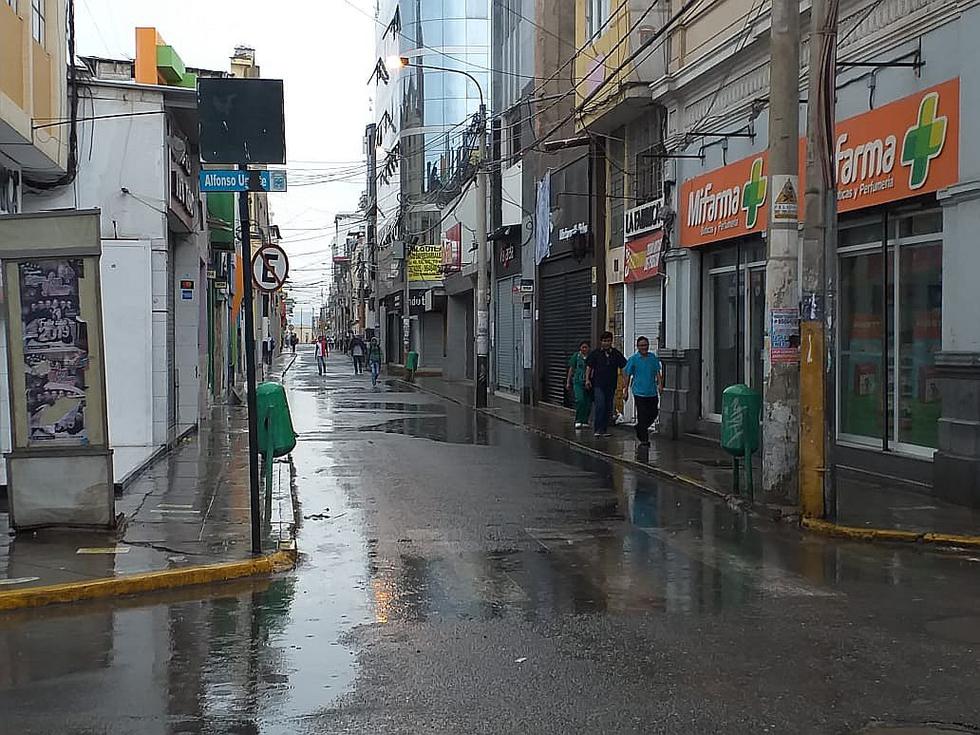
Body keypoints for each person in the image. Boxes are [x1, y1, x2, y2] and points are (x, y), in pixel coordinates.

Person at [623, 335, 663, 447]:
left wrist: (660, 385)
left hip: (652, 391)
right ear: (637, 347)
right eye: (641, 345)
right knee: (642, 415)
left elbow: (657, 372)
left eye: (645, 345)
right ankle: (644, 439)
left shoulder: (652, 358)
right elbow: (627, 374)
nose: (644, 347)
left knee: (654, 413)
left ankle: (640, 427)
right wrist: (625, 390)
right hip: (639, 391)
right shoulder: (634, 359)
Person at [586, 331, 626, 437]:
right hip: (598, 384)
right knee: (600, 405)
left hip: (611, 384)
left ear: (611, 341)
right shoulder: (596, 353)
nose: (606, 343)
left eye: (608, 341)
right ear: (601, 341)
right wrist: (587, 380)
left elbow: (623, 367)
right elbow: (589, 367)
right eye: (604, 341)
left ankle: (603, 429)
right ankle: (597, 429)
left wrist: (625, 382)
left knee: (608, 407)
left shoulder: (616, 354)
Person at [565, 340, 591, 429]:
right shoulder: (576, 356)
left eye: (586, 347)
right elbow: (571, 369)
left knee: (587, 402)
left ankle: (585, 420)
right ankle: (578, 420)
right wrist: (568, 382)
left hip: (588, 382)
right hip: (578, 381)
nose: (584, 349)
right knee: (580, 400)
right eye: (583, 347)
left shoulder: (590, 357)